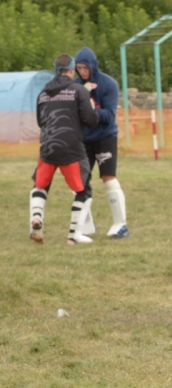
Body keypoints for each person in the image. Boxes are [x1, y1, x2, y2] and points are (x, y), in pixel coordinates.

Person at [29, 53, 99, 244]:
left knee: (40, 185)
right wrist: (92, 107)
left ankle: (36, 219)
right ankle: (73, 235)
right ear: (71, 70)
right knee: (83, 190)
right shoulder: (78, 90)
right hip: (72, 148)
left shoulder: (43, 93)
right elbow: (91, 120)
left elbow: (40, 122)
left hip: (48, 147)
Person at [75, 47, 129, 238]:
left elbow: (109, 115)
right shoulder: (76, 86)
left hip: (106, 136)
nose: (82, 72)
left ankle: (120, 225)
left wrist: (90, 110)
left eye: (85, 67)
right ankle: (85, 226)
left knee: (108, 177)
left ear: (92, 66)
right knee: (79, 180)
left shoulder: (108, 84)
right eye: (79, 68)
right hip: (84, 139)